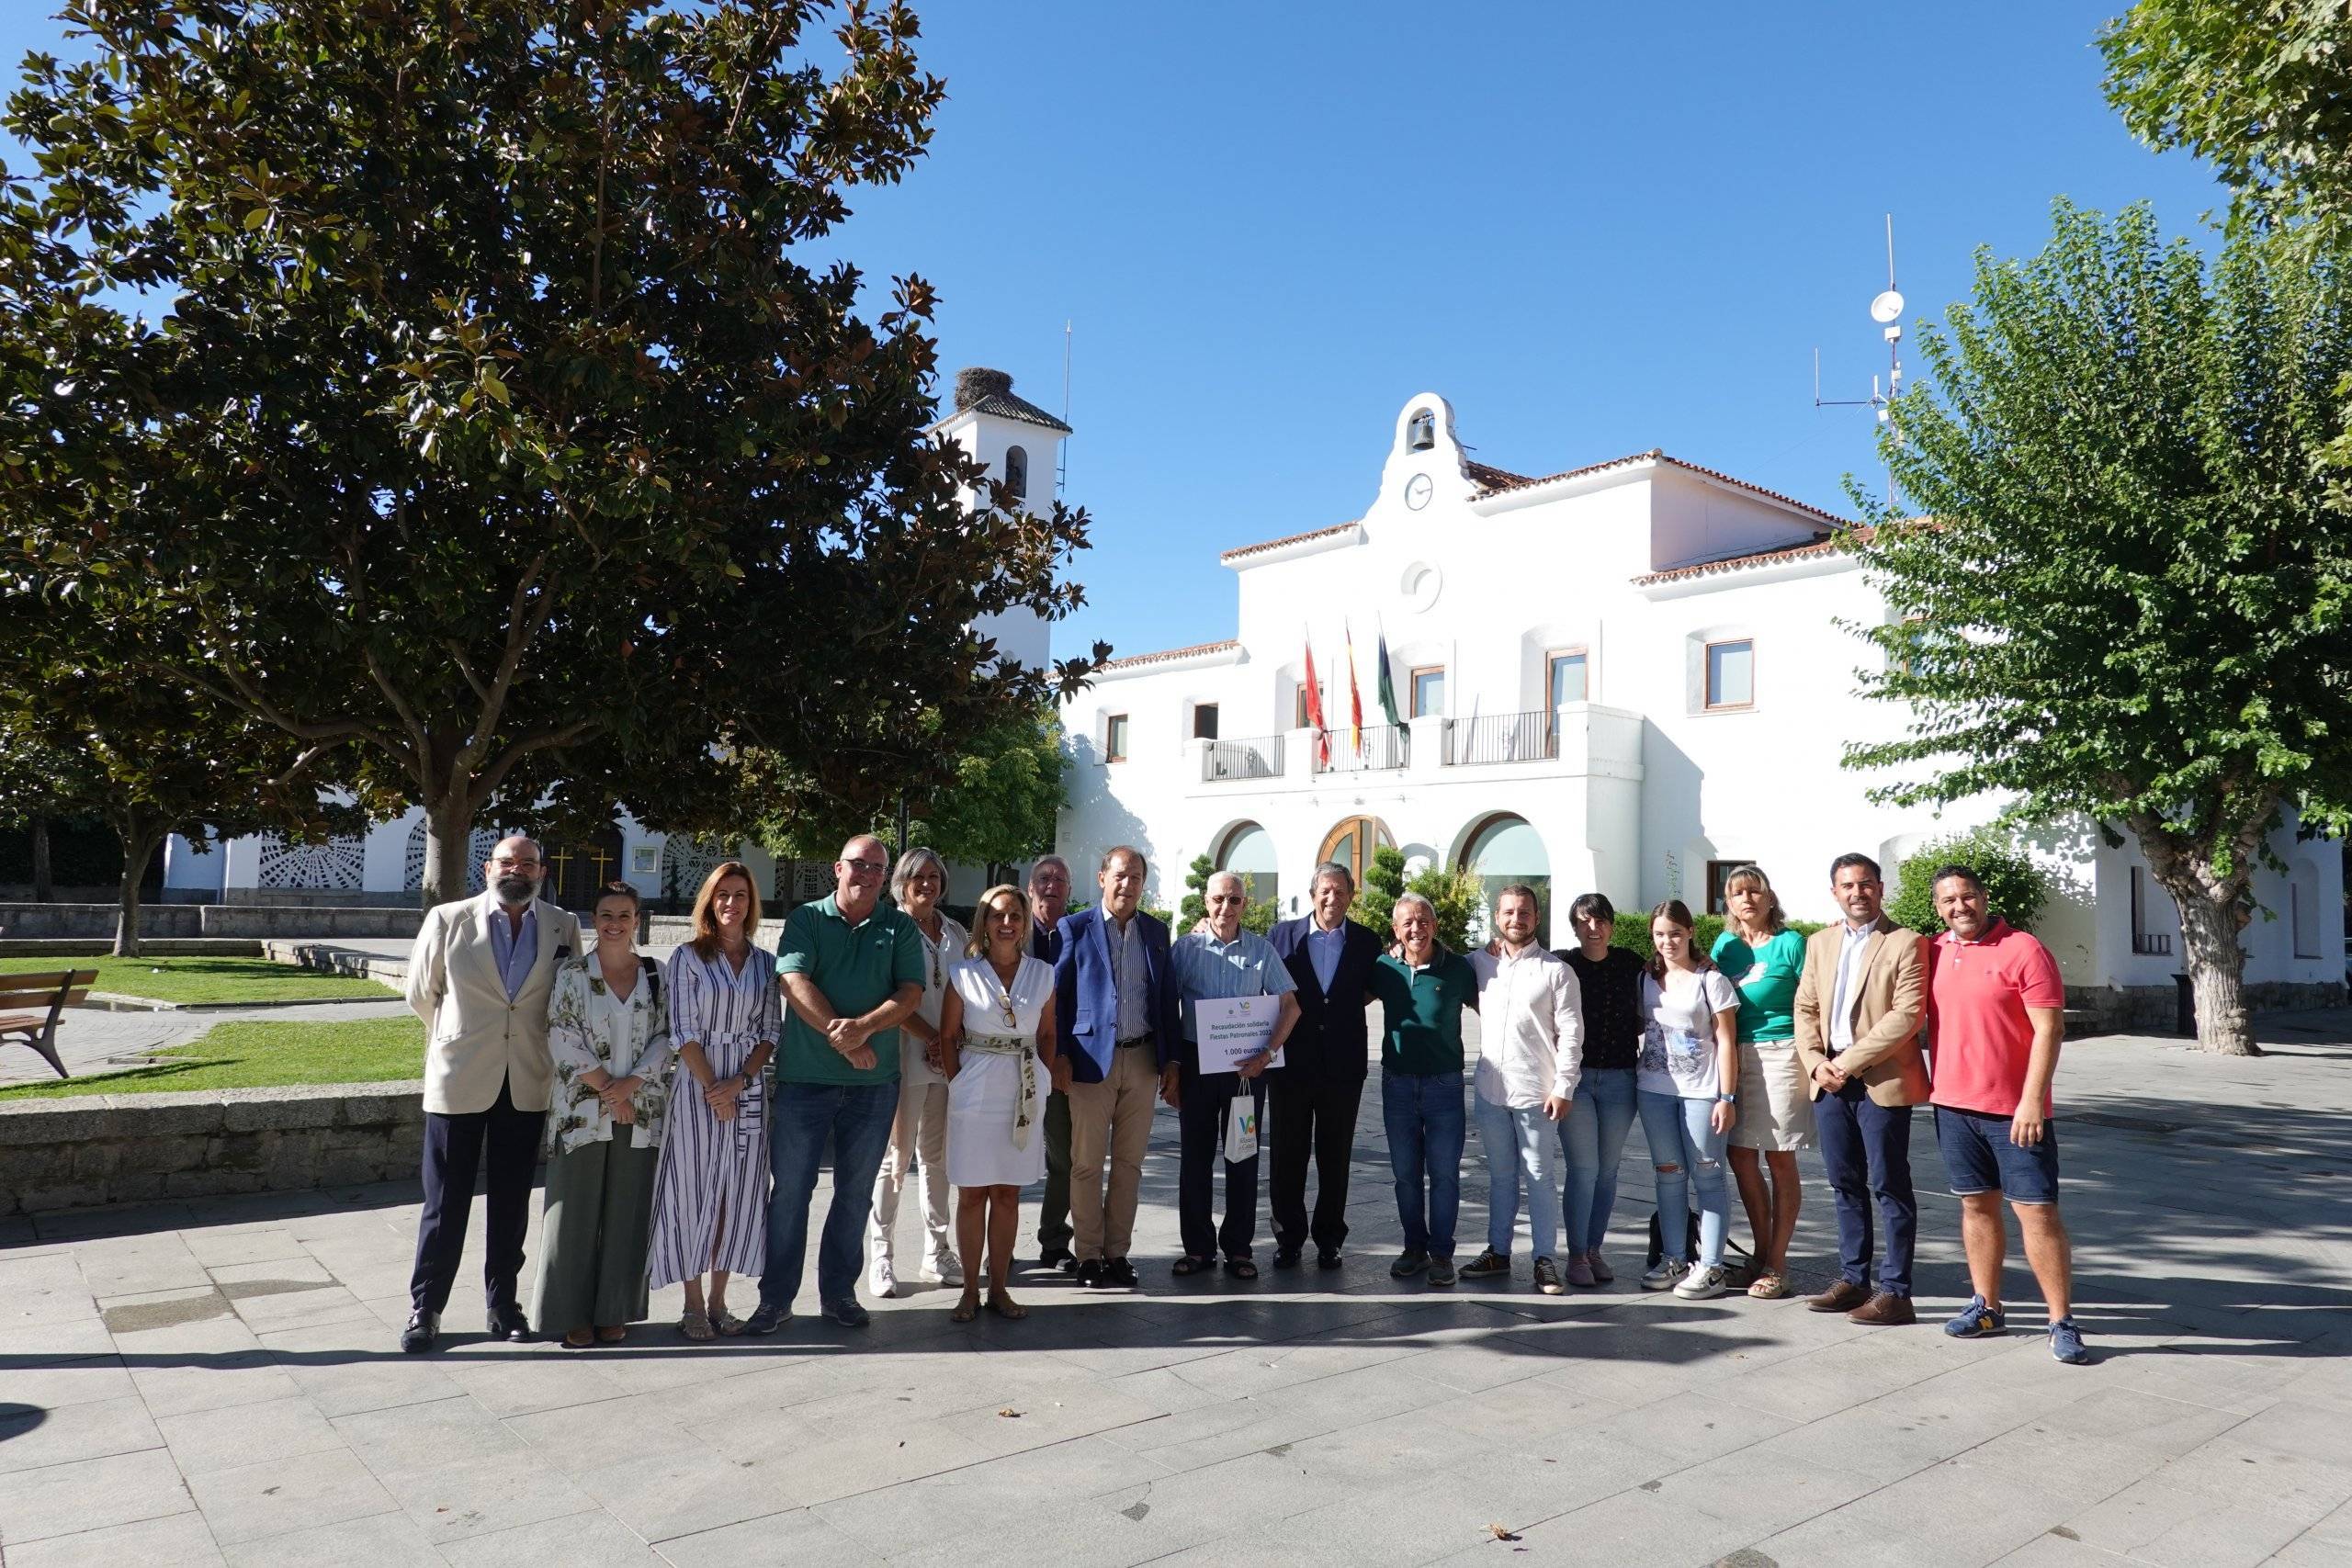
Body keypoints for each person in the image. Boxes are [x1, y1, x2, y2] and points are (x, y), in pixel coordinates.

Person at [400, 834, 582, 1353]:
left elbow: (568, 996)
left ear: (542, 872)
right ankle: (426, 1308)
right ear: (487, 868)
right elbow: (421, 993)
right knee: (444, 1203)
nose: (516, 869)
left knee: (511, 1202)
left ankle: (503, 1306)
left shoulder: (561, 925)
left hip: (526, 1079)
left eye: (527, 862)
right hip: (459, 1079)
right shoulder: (448, 919)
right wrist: (458, 1037)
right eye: (507, 861)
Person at [750, 835, 924, 1332]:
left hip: (874, 1087)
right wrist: (844, 1038)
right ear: (837, 868)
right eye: (858, 865)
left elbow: (910, 992)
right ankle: (775, 1299)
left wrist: (864, 1028)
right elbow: (793, 980)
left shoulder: (898, 927)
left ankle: (838, 1295)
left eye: (876, 867)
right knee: (790, 1193)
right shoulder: (807, 918)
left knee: (855, 1193)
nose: (867, 874)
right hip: (805, 1081)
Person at [1923, 865, 2086, 1364]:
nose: (1959, 907)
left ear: (1984, 897)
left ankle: (2061, 1321)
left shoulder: (2024, 949)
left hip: (2014, 1111)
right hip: (1952, 1104)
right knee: (1976, 1206)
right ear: (1938, 908)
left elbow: (2049, 1030)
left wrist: (2033, 1100)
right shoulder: (1934, 951)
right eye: (1949, 901)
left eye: (1967, 897)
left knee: (2036, 1213)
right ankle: (1987, 1306)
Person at [1792, 852, 1931, 1326]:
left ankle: (1896, 1292)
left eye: (1866, 884)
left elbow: (1907, 1015)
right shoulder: (1820, 943)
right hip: (1830, 1083)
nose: (1858, 893)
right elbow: (1805, 1008)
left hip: (1879, 1080)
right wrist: (1815, 1063)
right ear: (1834, 892)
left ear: (1880, 888)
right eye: (1848, 886)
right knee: (1843, 1184)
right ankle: (1854, 1279)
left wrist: (1846, 1063)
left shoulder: (1907, 942)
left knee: (1889, 1184)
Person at [533, 883, 672, 1348]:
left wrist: (630, 1087)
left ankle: (615, 1311)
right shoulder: (573, 972)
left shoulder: (656, 974)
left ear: (637, 920)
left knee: (627, 1213)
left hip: (641, 1112)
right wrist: (612, 1093)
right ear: (594, 919)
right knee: (572, 1213)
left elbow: (668, 1035)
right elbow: (561, 1036)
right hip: (580, 1113)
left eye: (625, 915)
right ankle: (570, 1314)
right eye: (606, 915)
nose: (615, 924)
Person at [646, 862, 778, 1340]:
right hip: (698, 1087)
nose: (731, 903)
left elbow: (770, 1032)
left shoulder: (765, 963)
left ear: (751, 903)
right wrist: (714, 1090)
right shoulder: (687, 957)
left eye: (740, 895)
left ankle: (722, 1301)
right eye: (722, 895)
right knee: (693, 1193)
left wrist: (740, 1083)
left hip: (747, 1086)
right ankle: (692, 1304)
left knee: (736, 1196)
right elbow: (682, 1032)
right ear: (709, 901)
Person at [1054, 845, 1181, 1292]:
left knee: (1129, 1164)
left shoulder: (1156, 932)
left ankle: (1117, 1253)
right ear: (1103, 876)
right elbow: (1060, 998)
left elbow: (1166, 999)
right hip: (1090, 1062)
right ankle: (1088, 1254)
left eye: (1137, 878)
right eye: (1121, 876)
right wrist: (1061, 1055)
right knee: (1086, 1163)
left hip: (1143, 1060)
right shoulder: (1073, 928)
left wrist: (1171, 1061)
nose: (1128, 885)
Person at [1169, 873, 1300, 1279]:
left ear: (1246, 904)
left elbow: (1290, 1007)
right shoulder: (1184, 949)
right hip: (1196, 1069)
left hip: (1248, 1072)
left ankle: (1239, 1249)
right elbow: (1165, 1011)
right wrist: (1171, 1068)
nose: (1226, 908)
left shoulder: (1261, 951)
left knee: (1242, 1157)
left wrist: (1268, 1052)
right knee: (1195, 1159)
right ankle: (1198, 1248)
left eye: (1235, 900)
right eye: (1219, 899)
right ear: (1205, 902)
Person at [939, 885, 1060, 1322]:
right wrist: (960, 1083)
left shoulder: (1043, 974)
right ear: (984, 924)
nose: (1006, 923)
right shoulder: (963, 973)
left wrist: (1041, 1078)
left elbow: (1047, 1034)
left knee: (1007, 1194)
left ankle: (1000, 1289)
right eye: (997, 916)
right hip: (975, 1091)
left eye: (1014, 915)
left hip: (1022, 1090)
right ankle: (969, 1290)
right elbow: (948, 1036)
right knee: (972, 1194)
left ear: (1025, 922)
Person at [1460, 886, 1583, 1295]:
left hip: (1537, 1091)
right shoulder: (1479, 963)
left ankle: (1544, 1258)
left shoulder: (1556, 971)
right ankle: (1498, 1250)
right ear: (1497, 918)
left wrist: (1564, 1087)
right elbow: (1433, 960)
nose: (1517, 919)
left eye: (1525, 912)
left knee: (1540, 1177)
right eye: (1509, 912)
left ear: (1537, 916)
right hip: (1492, 1089)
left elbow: (1571, 1035)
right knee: (1500, 1176)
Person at [1266, 862, 1383, 1269]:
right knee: (1286, 1154)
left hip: (1343, 1066)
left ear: (1352, 895)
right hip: (1290, 1064)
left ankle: (1330, 1238)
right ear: (1313, 892)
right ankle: (1288, 1237)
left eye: (1341, 891)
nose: (1332, 898)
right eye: (1325, 890)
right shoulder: (1281, 936)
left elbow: (1374, 987)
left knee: (1336, 1157)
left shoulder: (1368, 942)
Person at [865, 847, 967, 1300]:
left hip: (947, 1062)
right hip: (905, 1059)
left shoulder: (956, 932)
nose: (926, 884)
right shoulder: (887, 929)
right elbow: (889, 997)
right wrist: (931, 1039)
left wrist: (951, 1044)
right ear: (900, 884)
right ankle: (882, 1256)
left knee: (938, 1159)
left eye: (933, 876)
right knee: (894, 1160)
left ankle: (936, 1250)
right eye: (916, 877)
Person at [1710, 865, 1813, 1301]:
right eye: (1737, 893)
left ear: (1770, 898)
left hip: (1783, 1054)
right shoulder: (1725, 946)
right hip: (1735, 1055)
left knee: (1779, 1156)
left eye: (1755, 891)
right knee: (1739, 1155)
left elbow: (1813, 1002)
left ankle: (1777, 1263)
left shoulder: (1792, 945)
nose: (1747, 899)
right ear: (1729, 903)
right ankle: (1760, 1251)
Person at [1369, 893, 1479, 1288]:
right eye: (1407, 923)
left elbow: (1496, 1007)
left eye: (1423, 921)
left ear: (1434, 924)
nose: (1416, 929)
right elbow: (1345, 1001)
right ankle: (1414, 1248)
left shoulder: (1459, 969)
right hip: (1397, 1084)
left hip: (1444, 1086)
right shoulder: (1383, 967)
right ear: (1396, 931)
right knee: (1405, 1175)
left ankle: (1442, 1254)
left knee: (1445, 1174)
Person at [1636, 899, 1742, 1300]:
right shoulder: (1646, 978)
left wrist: (1726, 1097)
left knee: (1709, 1177)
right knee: (1668, 1175)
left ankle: (1712, 1267)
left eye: (1675, 933)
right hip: (1654, 1091)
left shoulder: (1710, 980)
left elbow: (1728, 1041)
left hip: (1702, 1093)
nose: (1668, 942)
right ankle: (1674, 1256)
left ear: (1691, 932)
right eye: (1660, 934)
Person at [1555, 893, 1645, 1288]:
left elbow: (1678, 970)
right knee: (1583, 1169)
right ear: (1574, 926)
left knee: (1607, 1171)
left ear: (1611, 924)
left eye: (1601, 920)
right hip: (1575, 1080)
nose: (1594, 928)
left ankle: (1594, 1249)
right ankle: (1576, 1255)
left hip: (1620, 1079)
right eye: (1584, 921)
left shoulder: (1631, 964)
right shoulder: (1562, 963)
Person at [1026, 854, 1078, 1272]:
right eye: (1043, 878)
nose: (1051, 885)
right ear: (1030, 887)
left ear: (1070, 891)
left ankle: (1055, 1241)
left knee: (1065, 1157)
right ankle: (995, 1241)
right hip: (1010, 1062)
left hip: (1060, 1065)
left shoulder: (1079, 934)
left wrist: (1060, 1055)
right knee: (997, 1155)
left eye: (1059, 879)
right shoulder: (1006, 929)